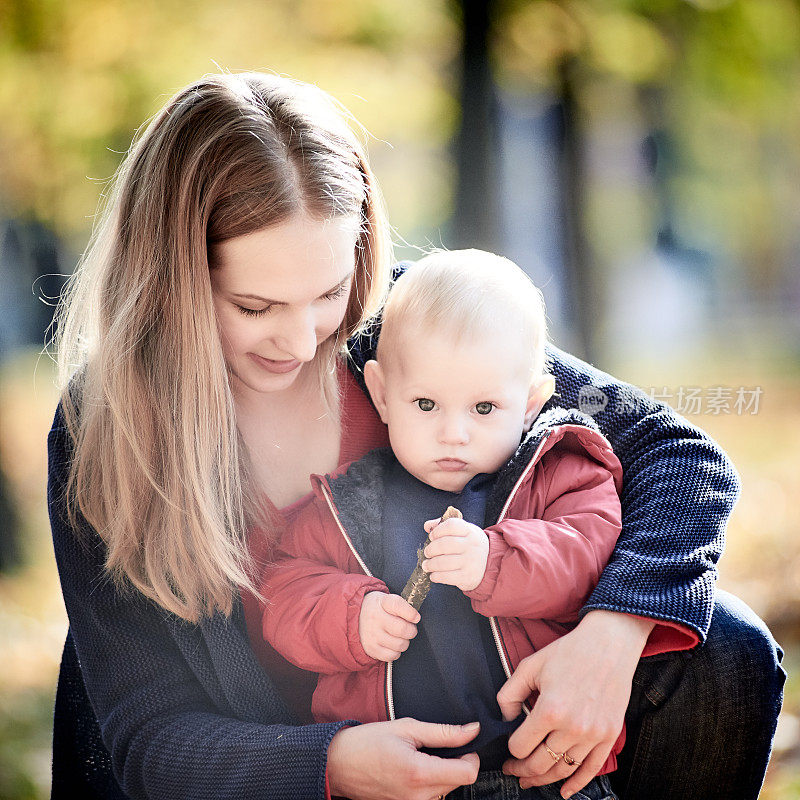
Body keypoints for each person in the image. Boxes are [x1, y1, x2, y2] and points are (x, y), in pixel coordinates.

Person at [47, 71, 784, 800]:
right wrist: (331, 766)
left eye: (330, 293)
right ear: (172, 280)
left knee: (725, 647)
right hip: (275, 775)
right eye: (254, 305)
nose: (303, 341)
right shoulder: (107, 431)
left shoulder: (406, 329)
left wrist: (610, 638)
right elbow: (152, 743)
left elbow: (678, 456)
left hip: (491, 736)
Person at [260, 249, 636, 800]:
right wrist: (350, 616)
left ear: (531, 402)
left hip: (537, 763)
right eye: (427, 403)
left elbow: (588, 557)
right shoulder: (345, 504)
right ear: (384, 394)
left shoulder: (559, 473)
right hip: (391, 774)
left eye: (484, 408)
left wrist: (496, 559)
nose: (453, 433)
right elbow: (285, 591)